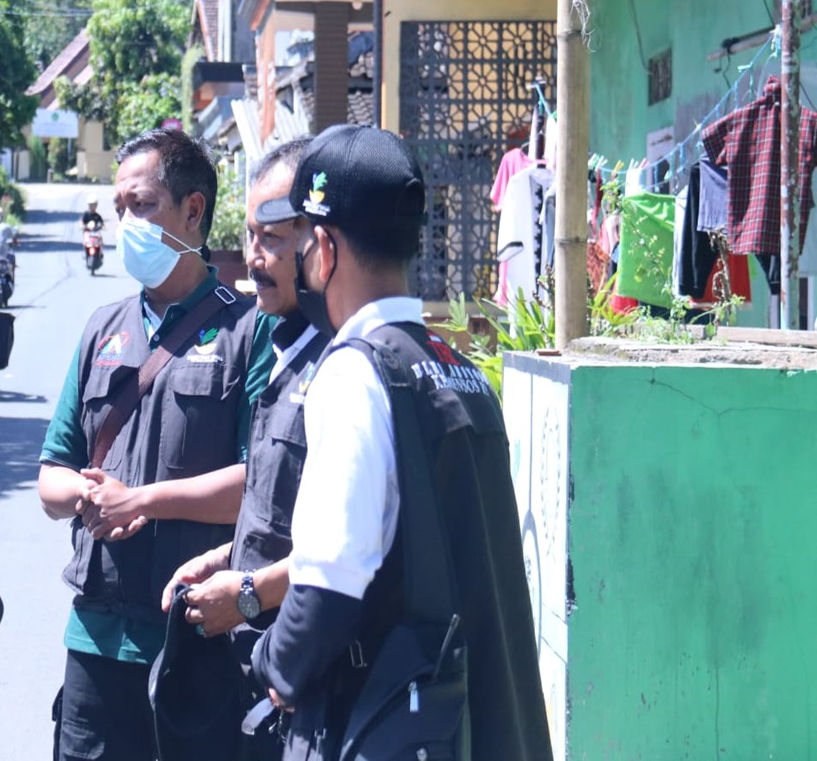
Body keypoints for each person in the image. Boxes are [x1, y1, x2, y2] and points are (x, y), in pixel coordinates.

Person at [251, 126, 552, 760]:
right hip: (471, 723)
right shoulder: (457, 367)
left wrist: (273, 669)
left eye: (302, 241)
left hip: (383, 719)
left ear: (325, 249)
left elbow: (331, 576)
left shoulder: (357, 371)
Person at [37, 128, 275, 761]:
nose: (125, 223)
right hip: (95, 638)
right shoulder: (102, 329)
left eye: (141, 205)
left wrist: (142, 499)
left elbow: (259, 487)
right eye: (120, 209)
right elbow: (51, 473)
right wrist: (87, 495)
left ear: (192, 211)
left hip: (197, 637)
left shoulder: (249, 332)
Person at [159, 137, 324, 759]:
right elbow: (282, 506)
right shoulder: (284, 351)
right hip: (257, 679)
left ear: (320, 238)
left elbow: (354, 548)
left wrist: (250, 591)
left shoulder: (349, 367)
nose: (253, 259)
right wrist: (229, 556)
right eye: (249, 237)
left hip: (310, 685)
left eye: (272, 240)